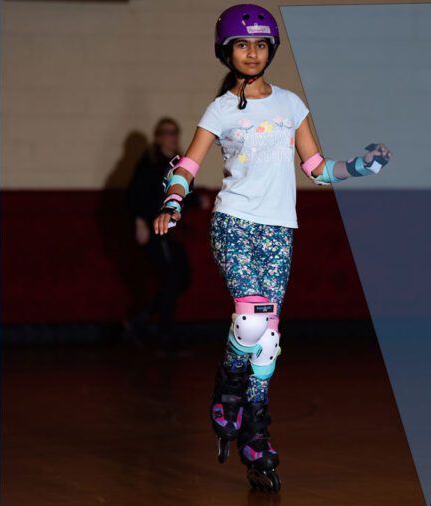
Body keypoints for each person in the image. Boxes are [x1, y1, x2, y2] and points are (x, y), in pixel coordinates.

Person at [154, 4, 393, 493]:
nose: (252, 53)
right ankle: (227, 387)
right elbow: (189, 165)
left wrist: (360, 169)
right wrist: (174, 200)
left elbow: (318, 168)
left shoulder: (290, 105)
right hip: (235, 223)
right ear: (227, 51)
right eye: (242, 44)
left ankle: (254, 431)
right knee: (250, 317)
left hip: (280, 229)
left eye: (261, 44)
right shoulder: (220, 110)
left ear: (271, 50)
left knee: (268, 340)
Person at [125, 117, 195, 344]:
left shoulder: (178, 163)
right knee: (171, 278)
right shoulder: (149, 163)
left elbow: (179, 192)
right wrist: (139, 222)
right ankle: (164, 333)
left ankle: (141, 321)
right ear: (158, 137)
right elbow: (135, 194)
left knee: (179, 278)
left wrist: (198, 199)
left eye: (175, 132)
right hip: (155, 227)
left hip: (171, 229)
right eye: (167, 133)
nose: (172, 137)